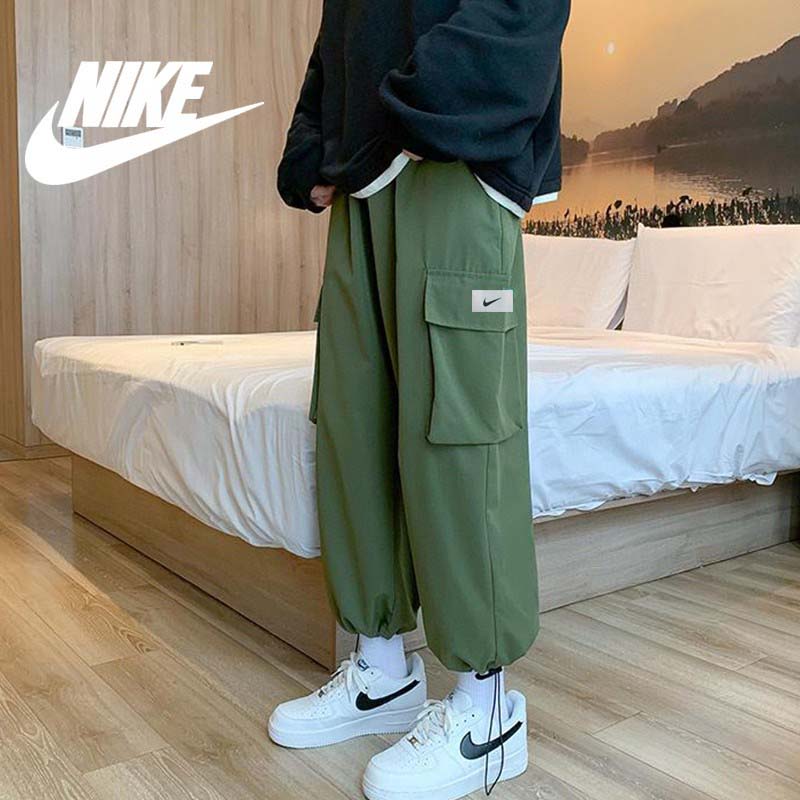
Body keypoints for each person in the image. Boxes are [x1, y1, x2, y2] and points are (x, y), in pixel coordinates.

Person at [269, 2, 570, 798]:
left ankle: (487, 710)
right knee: (354, 423)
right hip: (365, 173)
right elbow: (338, 37)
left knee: (458, 434)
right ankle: (380, 669)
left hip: (455, 157)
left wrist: (404, 106)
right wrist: (314, 146)